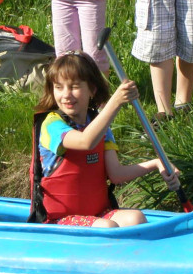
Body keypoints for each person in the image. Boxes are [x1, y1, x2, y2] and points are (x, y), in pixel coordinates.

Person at [29, 52, 181, 227]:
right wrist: (116, 102)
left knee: (136, 218)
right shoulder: (52, 124)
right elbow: (85, 142)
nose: (66, 95)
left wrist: (156, 164)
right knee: (107, 227)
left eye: (74, 87)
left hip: (98, 214)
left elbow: (116, 175)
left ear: (92, 89)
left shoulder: (100, 126)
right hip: (59, 220)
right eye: (59, 87)